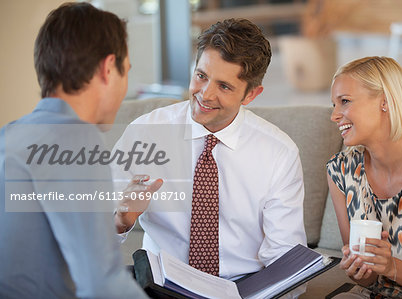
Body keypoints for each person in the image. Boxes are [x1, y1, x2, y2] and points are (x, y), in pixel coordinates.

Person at [113, 18, 307, 280]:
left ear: (251, 95)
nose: (205, 94)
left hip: (241, 287)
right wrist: (122, 220)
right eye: (201, 76)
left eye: (224, 86)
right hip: (162, 283)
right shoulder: (145, 133)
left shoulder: (279, 153)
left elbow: (285, 256)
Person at [0, 3, 161, 298]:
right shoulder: (75, 140)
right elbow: (102, 283)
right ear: (108, 68)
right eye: (126, 72)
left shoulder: (10, 135)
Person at [326, 56, 402, 298]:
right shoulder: (340, 170)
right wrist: (359, 269)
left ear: (384, 102)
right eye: (334, 105)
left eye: (345, 102)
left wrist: (392, 266)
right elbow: (365, 277)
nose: (334, 115)